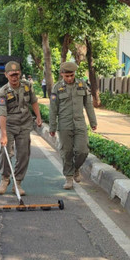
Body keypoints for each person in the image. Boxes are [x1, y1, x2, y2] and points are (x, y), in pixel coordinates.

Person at [49, 61, 97, 190]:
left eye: (71, 75)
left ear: (74, 73)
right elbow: (53, 109)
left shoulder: (82, 85)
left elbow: (88, 104)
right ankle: (69, 178)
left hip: (80, 123)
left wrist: (93, 122)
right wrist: (52, 127)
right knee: (67, 152)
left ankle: (76, 168)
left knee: (83, 150)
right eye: (67, 76)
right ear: (62, 74)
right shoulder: (57, 88)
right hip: (64, 124)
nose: (69, 78)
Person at [0, 61, 42, 196]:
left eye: (16, 74)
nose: (15, 77)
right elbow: (2, 114)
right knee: (5, 152)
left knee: (23, 154)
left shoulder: (27, 86)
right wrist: (3, 134)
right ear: (6, 75)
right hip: (10, 125)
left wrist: (38, 116)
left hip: (24, 125)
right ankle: (5, 179)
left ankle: (17, 182)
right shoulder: (3, 92)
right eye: (12, 75)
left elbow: (33, 101)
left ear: (20, 73)